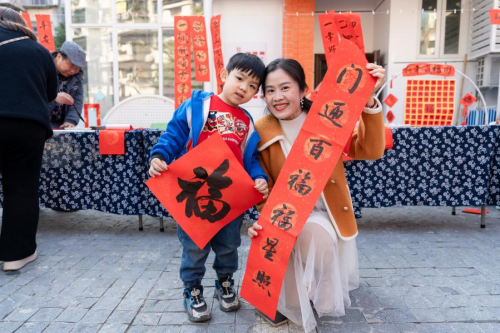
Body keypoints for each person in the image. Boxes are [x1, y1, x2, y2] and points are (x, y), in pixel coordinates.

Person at [248, 58, 386, 332]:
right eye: (270, 90)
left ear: (303, 90)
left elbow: (370, 150)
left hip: (326, 210)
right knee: (300, 236)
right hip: (286, 213)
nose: (277, 97)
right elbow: (264, 182)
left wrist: (369, 101)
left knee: (316, 234)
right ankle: (295, 293)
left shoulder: (327, 119)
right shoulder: (262, 129)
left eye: (285, 87)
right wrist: (263, 219)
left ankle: (312, 289)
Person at [149, 53, 269, 323]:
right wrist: (159, 156)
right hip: (194, 192)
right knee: (194, 247)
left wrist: (259, 177)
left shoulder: (247, 122)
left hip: (229, 197)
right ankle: (192, 290)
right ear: (224, 75)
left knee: (229, 245)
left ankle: (224, 283)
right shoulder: (197, 106)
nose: (244, 88)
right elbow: (174, 134)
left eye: (252, 86)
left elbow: (251, 159)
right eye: (239, 78)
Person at [0, 7, 58, 271]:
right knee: (21, 188)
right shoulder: (38, 51)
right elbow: (50, 92)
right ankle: (16, 255)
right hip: (27, 125)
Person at [48, 41, 86, 129]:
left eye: (77, 68)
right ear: (59, 56)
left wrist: (70, 121)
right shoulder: (44, 69)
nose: (73, 71)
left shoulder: (77, 77)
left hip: (61, 125)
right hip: (41, 123)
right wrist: (54, 97)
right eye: (71, 65)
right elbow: (34, 95)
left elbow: (77, 101)